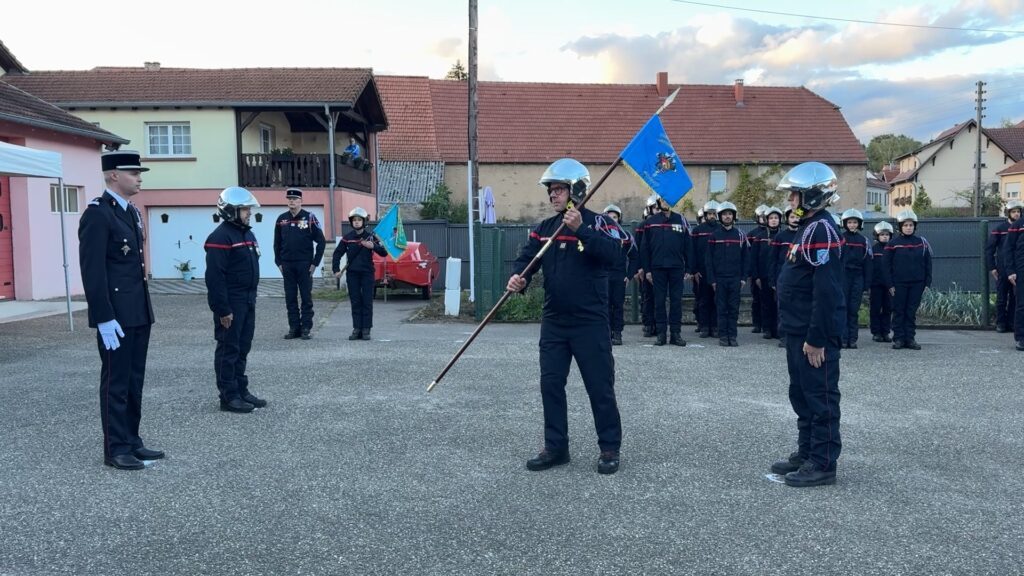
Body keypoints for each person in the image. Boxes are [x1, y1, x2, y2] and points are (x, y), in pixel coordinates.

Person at [507, 158, 623, 475]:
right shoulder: (544, 230)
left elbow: (615, 256)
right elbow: (525, 261)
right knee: (551, 386)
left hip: (590, 323)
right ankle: (556, 448)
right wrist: (518, 278)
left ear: (578, 190)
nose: (553, 195)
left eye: (559, 189)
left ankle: (609, 448)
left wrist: (581, 230)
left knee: (600, 387)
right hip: (555, 323)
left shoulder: (600, 224)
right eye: (551, 190)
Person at [78, 150, 161, 470]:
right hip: (116, 315)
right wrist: (103, 317)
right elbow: (93, 271)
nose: (139, 177)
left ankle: (132, 440)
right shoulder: (99, 214)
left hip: (138, 310)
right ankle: (115, 448)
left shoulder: (130, 212)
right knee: (116, 381)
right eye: (133, 173)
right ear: (113, 175)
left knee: (134, 380)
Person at [772, 161, 845, 487]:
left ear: (812, 197)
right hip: (796, 328)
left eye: (795, 195)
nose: (790, 201)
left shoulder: (821, 230)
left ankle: (823, 462)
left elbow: (827, 291)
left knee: (820, 396)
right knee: (800, 393)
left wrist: (817, 338)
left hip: (812, 334)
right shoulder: (807, 227)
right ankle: (806, 453)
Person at [204, 187, 266, 414]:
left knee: (242, 347)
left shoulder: (247, 234)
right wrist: (223, 309)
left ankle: (241, 389)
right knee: (228, 349)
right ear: (231, 210)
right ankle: (228, 396)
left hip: (248, 300)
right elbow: (215, 278)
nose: (249, 213)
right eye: (245, 209)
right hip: (231, 302)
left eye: (249, 208)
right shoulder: (219, 237)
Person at [274, 188, 326, 340]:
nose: (291, 201)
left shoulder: (309, 218)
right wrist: (278, 262)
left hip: (304, 265)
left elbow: (321, 242)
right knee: (290, 298)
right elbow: (276, 243)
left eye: (295, 199)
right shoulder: (281, 219)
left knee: (305, 298)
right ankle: (294, 328)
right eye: (289, 199)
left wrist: (315, 263)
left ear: (300, 201)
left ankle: (305, 328)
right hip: (287, 265)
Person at [641, 195, 693, 346]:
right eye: (663, 200)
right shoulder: (650, 222)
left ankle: (676, 334)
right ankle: (661, 334)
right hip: (657, 269)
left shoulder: (681, 220)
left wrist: (689, 268)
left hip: (677, 268)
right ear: (658, 202)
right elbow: (645, 249)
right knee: (659, 302)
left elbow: (688, 246)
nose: (666, 202)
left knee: (676, 301)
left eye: (668, 200)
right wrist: (647, 270)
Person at [334, 207, 386, 340]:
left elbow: (384, 252)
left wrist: (373, 246)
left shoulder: (371, 237)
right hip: (352, 274)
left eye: (359, 220)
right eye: (354, 220)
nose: (356, 222)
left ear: (364, 222)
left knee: (367, 301)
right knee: (355, 301)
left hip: (367, 273)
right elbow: (337, 253)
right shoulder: (347, 238)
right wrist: (336, 270)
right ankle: (357, 328)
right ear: (351, 222)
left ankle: (366, 329)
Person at [883, 210, 931, 350]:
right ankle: (898, 339)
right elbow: (886, 266)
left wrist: (927, 282)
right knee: (899, 311)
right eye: (905, 225)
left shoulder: (922, 243)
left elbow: (928, 263)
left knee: (911, 312)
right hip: (898, 284)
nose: (908, 227)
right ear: (900, 227)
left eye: (911, 225)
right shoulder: (892, 244)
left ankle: (910, 339)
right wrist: (890, 284)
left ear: (915, 226)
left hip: (917, 283)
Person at [706, 201, 747, 347]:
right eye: (724, 214)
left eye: (730, 214)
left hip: (735, 279)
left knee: (733, 308)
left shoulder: (741, 235)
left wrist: (743, 278)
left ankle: (733, 336)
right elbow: (708, 260)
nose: (727, 217)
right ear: (720, 217)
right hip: (719, 279)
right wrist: (712, 280)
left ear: (734, 216)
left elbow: (745, 258)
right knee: (721, 308)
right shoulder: (714, 236)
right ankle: (723, 336)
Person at [602, 204, 637, 345]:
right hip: (602, 276)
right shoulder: (598, 235)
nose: (612, 219)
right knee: (604, 305)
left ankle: (617, 333)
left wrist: (628, 275)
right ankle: (605, 332)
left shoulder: (625, 236)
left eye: (615, 217)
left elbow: (635, 257)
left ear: (619, 219)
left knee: (617, 305)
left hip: (618, 276)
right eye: (609, 217)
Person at [987, 200, 1022, 333]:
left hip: (1017, 268)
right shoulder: (999, 229)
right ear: (1008, 213)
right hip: (1002, 269)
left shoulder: (1021, 228)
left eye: (1018, 211)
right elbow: (990, 249)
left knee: (1015, 298)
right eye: (1014, 211)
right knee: (1001, 297)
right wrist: (992, 267)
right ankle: (1000, 323)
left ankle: (1012, 323)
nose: (1017, 214)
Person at [839, 209, 871, 349]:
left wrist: (866, 283)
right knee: (843, 307)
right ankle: (843, 338)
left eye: (855, 222)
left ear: (859, 224)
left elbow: (868, 263)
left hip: (858, 276)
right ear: (845, 224)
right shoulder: (840, 239)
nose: (852, 225)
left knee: (854, 309)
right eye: (850, 222)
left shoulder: (863, 240)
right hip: (843, 276)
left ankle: (852, 339)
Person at [770, 207, 801, 347]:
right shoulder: (780, 237)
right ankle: (783, 336)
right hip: (782, 278)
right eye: (792, 217)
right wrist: (772, 280)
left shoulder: (803, 235)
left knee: (798, 308)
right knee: (783, 308)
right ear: (787, 219)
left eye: (797, 217)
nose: (795, 219)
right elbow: (772, 260)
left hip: (799, 279)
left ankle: (796, 336)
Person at [754, 206, 783, 340]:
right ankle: (767, 329)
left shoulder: (782, 236)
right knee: (766, 303)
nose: (773, 220)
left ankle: (777, 328)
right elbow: (753, 257)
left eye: (776, 218)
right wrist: (756, 276)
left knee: (779, 304)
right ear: (766, 220)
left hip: (780, 276)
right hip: (764, 275)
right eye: (771, 218)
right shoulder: (759, 237)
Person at [691, 200, 719, 338]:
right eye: (710, 214)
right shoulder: (697, 231)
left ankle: (714, 326)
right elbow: (692, 251)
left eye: (714, 214)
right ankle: (703, 326)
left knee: (716, 300)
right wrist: (694, 270)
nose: (712, 216)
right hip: (701, 272)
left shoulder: (721, 230)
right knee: (702, 300)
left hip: (718, 271)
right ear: (705, 215)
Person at [635, 197, 659, 338]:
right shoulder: (643, 225)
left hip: (660, 267)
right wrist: (639, 267)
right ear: (649, 209)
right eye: (655, 208)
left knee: (659, 298)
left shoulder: (664, 224)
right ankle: (648, 324)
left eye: (659, 207)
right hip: (645, 267)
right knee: (647, 297)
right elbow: (637, 248)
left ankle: (658, 324)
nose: (657, 210)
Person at [869, 221, 894, 343]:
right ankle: (876, 332)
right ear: (877, 236)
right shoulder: (873, 250)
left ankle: (886, 332)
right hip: (876, 284)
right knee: (875, 308)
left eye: (887, 234)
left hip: (889, 286)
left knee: (888, 308)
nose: (885, 236)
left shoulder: (892, 249)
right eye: (882, 234)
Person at [747, 204, 769, 333]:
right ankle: (757, 323)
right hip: (756, 272)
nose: (764, 219)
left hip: (768, 272)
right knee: (756, 299)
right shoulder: (751, 234)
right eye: (762, 217)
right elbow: (749, 255)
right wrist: (751, 273)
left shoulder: (777, 233)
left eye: (766, 217)